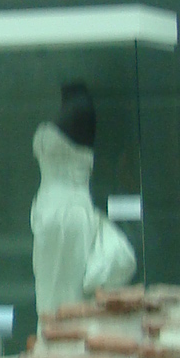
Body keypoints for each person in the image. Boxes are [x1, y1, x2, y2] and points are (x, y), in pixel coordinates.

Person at [30, 80, 137, 324]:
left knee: (64, 301)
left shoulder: (80, 107)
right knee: (48, 300)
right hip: (48, 212)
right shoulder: (70, 104)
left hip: (67, 215)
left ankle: (66, 343)